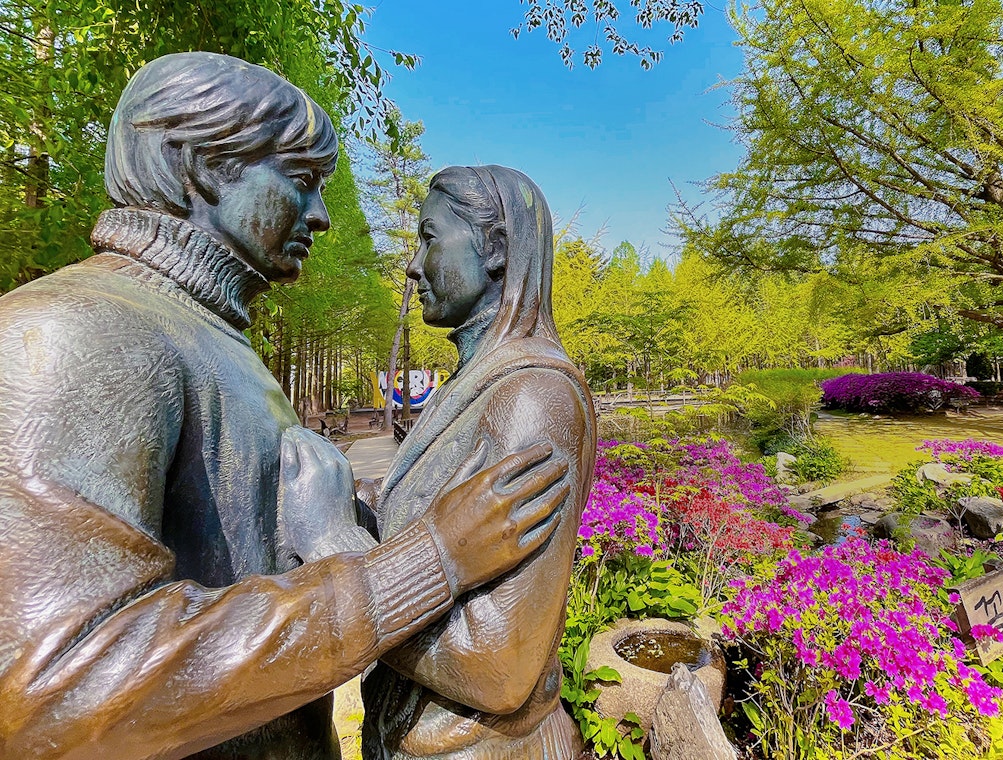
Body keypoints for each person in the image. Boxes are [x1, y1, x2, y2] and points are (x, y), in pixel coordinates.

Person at [0, 53, 565, 760]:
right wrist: (428, 561)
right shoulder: (72, 331)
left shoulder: (213, 341)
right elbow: (57, 691)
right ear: (206, 165)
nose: (323, 217)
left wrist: (341, 513)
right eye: (300, 182)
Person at [359, 166, 595, 760]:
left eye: (429, 237)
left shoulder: (531, 401)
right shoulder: (475, 386)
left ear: (493, 249)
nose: (413, 266)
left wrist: (347, 568)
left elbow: (498, 668)